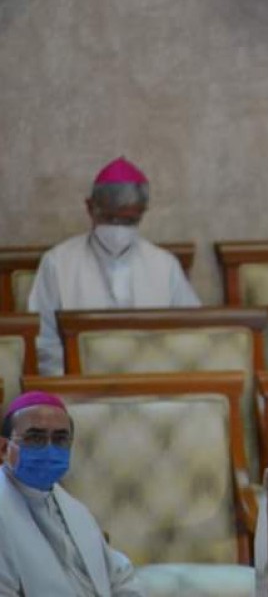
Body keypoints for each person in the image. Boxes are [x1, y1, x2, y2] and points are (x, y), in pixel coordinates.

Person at [28, 156, 201, 376]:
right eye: (110, 218)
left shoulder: (164, 265)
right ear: (90, 208)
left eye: (128, 221)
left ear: (142, 213)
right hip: (81, 387)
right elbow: (42, 340)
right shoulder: (58, 263)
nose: (118, 229)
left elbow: (191, 334)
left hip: (153, 387)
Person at [0, 391, 145, 595]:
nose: (49, 449)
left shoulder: (72, 507)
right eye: (35, 437)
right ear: (4, 448)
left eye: (60, 439)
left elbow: (119, 575)